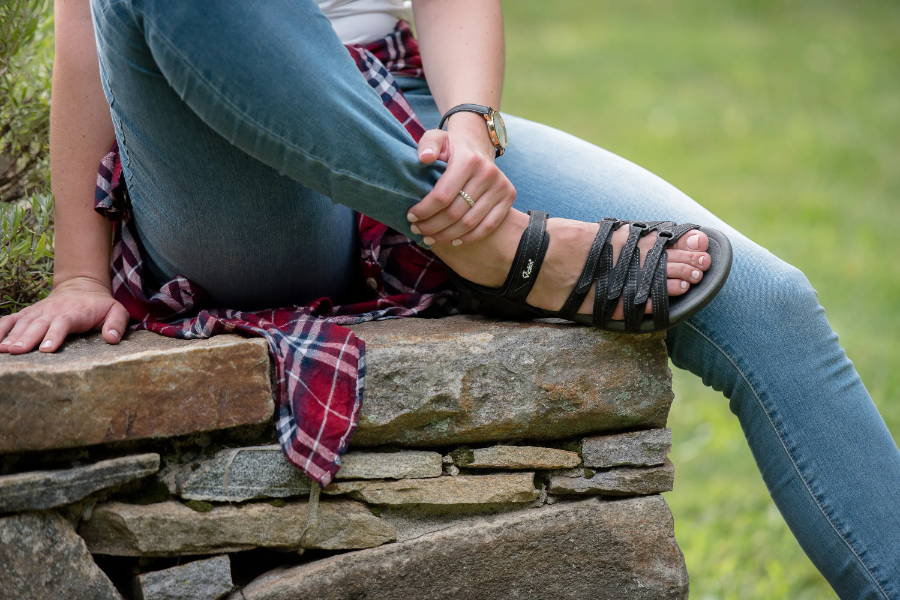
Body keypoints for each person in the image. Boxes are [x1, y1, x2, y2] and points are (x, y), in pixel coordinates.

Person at [0, 1, 897, 598]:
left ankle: (476, 230)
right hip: (230, 170)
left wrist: (470, 124)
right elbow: (93, 22)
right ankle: (499, 249)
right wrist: (81, 269)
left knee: (757, 294)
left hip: (406, 117)